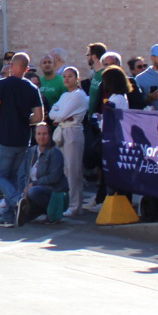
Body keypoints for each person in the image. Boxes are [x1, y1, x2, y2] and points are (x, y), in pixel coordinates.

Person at [0, 52, 43, 227]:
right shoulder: (32, 88)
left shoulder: (2, 84)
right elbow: (39, 116)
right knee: (15, 178)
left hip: (6, 138)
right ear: (26, 69)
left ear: (12, 66)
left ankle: (16, 200)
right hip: (23, 140)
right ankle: (7, 217)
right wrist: (24, 120)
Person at [48, 66, 87, 217]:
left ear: (77, 78)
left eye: (70, 76)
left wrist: (60, 116)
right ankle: (67, 202)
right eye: (64, 76)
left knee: (73, 169)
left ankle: (75, 205)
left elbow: (61, 114)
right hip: (63, 130)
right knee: (64, 169)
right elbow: (52, 112)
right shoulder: (65, 95)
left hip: (73, 131)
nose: (66, 79)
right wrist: (61, 117)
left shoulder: (79, 95)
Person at [16, 122, 69, 225]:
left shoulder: (55, 152)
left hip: (54, 191)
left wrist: (33, 184)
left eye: (44, 134)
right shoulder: (31, 151)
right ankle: (32, 210)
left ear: (49, 135)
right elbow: (23, 173)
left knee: (33, 192)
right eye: (39, 134)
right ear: (35, 136)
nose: (41, 137)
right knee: (20, 208)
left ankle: (52, 212)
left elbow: (54, 177)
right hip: (34, 189)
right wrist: (22, 190)